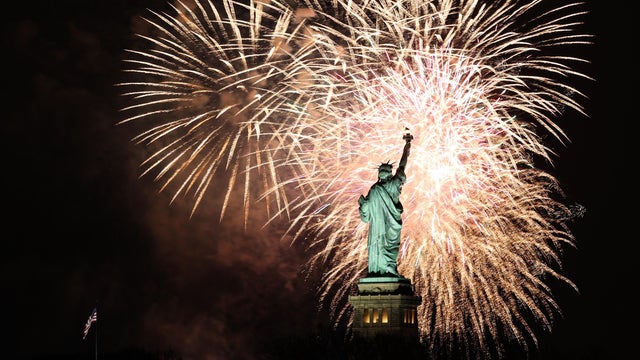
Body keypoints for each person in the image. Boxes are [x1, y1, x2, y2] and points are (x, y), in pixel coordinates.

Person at [358, 129, 412, 277]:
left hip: (379, 227)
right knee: (391, 246)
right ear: (389, 174)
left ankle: (381, 270)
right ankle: (389, 268)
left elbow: (365, 217)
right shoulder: (394, 184)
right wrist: (407, 146)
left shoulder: (375, 189)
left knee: (382, 245)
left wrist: (363, 205)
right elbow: (402, 165)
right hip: (392, 225)